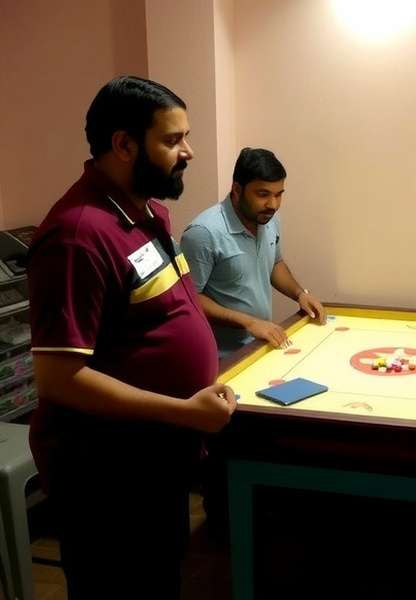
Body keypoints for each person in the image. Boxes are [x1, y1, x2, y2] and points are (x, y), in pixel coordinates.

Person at [27, 76, 237, 600]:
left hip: (156, 459)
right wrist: (185, 411)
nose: (188, 151)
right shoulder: (78, 234)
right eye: (172, 140)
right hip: (108, 478)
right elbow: (60, 379)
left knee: (159, 579)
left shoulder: (146, 211)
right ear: (123, 144)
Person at [181, 148, 325, 356]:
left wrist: (300, 294)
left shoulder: (268, 219)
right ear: (237, 189)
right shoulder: (203, 233)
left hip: (260, 346)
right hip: (222, 357)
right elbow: (190, 299)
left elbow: (274, 263)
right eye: (263, 194)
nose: (273, 204)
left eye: (278, 195)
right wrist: (249, 323)